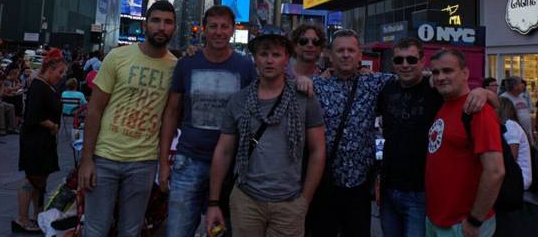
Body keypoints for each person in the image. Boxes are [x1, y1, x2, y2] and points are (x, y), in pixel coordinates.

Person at [205, 32, 326, 237]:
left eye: (276, 55)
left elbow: (318, 150)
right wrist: (213, 202)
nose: (270, 60)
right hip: (246, 200)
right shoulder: (239, 100)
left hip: (290, 203)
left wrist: (304, 199)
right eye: (264, 54)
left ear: (286, 59)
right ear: (255, 59)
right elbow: (223, 151)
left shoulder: (305, 98)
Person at [78, 0, 177, 237]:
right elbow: (94, 109)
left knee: (131, 231)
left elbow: (169, 119)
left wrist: (163, 164)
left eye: (168, 22)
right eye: (155, 21)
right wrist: (87, 159)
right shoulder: (117, 56)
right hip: (104, 158)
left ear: (174, 28)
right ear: (145, 25)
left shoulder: (176, 67)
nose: (161, 27)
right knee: (94, 229)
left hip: (144, 161)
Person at [377, 38, 494, 237]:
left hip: (422, 194)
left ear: (422, 61)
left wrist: (485, 93)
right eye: (399, 60)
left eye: (411, 59)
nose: (405, 64)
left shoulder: (436, 88)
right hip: (390, 190)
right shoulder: (386, 88)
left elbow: (467, 95)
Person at [159, 6, 256, 237]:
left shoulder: (245, 67)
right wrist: (163, 163)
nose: (218, 32)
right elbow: (172, 113)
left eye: (224, 27)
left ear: (233, 30)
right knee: (177, 231)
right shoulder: (187, 63)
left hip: (230, 166)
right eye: (213, 26)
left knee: (221, 232)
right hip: (189, 160)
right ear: (204, 29)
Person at [308, 29, 394, 237]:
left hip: (358, 186)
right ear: (330, 55)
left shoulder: (375, 83)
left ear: (359, 55)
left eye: (350, 50)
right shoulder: (317, 85)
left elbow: (416, 79)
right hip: (324, 182)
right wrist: (303, 81)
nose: (346, 54)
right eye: (340, 50)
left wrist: (484, 93)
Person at [425, 49, 504, 237]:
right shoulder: (445, 102)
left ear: (465, 73)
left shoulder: (478, 110)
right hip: (437, 221)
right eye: (436, 72)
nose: (440, 77)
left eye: (448, 71)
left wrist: (474, 220)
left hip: (462, 226)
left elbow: (495, 171)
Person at [13, 49, 66, 233]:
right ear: (49, 69)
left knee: (39, 179)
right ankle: (22, 218)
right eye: (59, 72)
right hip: (35, 140)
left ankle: (37, 213)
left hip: (43, 140)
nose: (61, 76)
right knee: (32, 178)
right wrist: (52, 125)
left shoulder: (45, 85)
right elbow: (33, 115)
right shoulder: (38, 86)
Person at [497, 97, 532, 190]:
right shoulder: (510, 124)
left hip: (519, 178)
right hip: (516, 176)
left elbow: (512, 158)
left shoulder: (509, 125)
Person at [501, 76, 534, 144]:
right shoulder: (504, 98)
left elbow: (526, 113)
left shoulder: (522, 96)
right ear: (514, 86)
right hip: (515, 137)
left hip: (527, 134)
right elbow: (504, 118)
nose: (523, 85)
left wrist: (533, 131)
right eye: (520, 83)